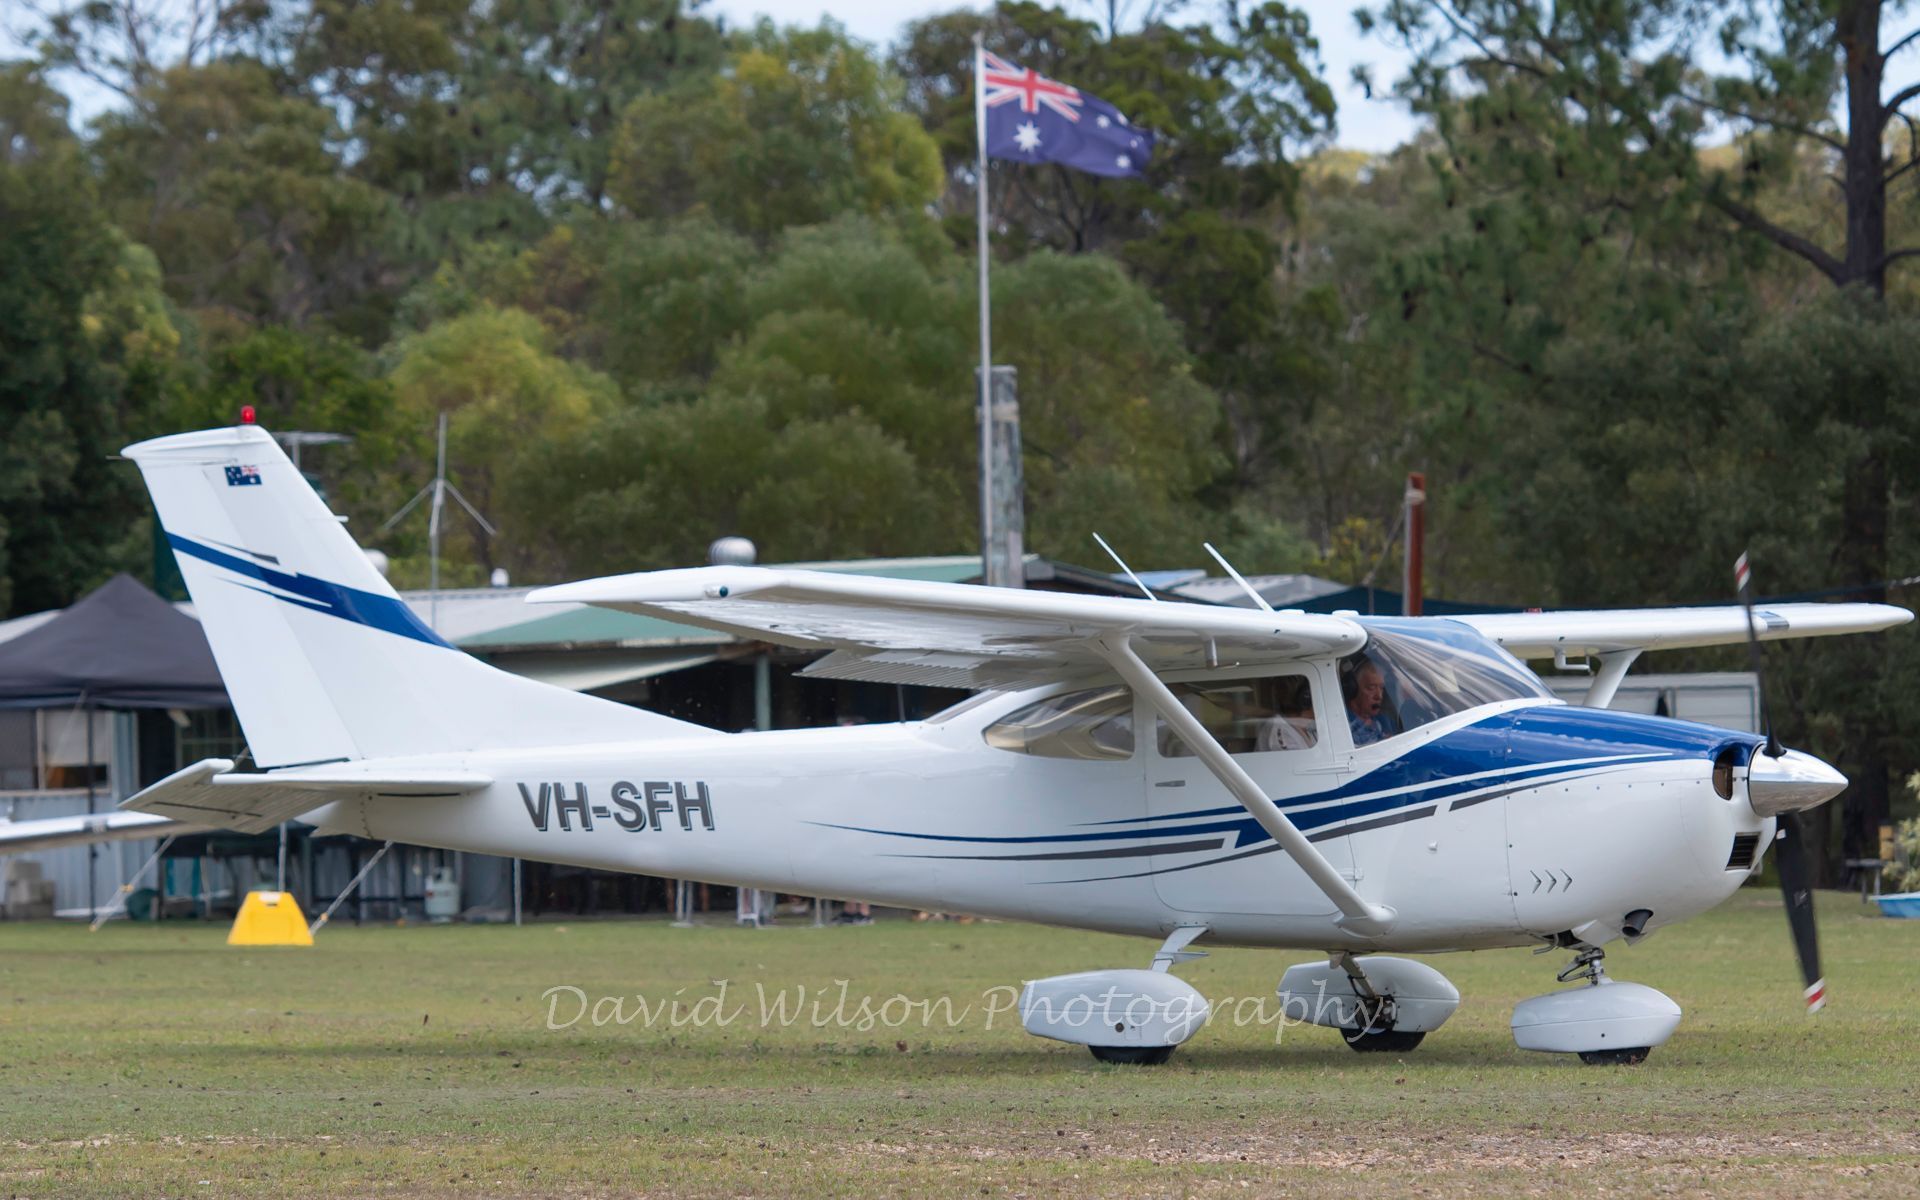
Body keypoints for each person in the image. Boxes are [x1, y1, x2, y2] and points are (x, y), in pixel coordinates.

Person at [1345, 658, 1391, 746]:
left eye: (1381, 688)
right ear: (1353, 689)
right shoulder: (1345, 727)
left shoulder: (1384, 720)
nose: (1379, 696)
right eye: (1371, 688)